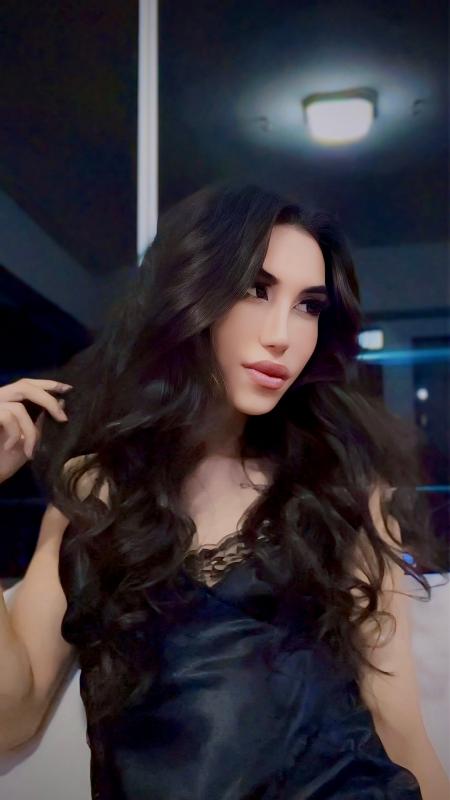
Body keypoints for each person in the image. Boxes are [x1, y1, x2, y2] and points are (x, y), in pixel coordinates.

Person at [0, 181, 449, 799]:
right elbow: (11, 717)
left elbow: (399, 727)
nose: (282, 334)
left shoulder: (341, 488)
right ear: (191, 293)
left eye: (308, 306)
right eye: (255, 290)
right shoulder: (97, 490)